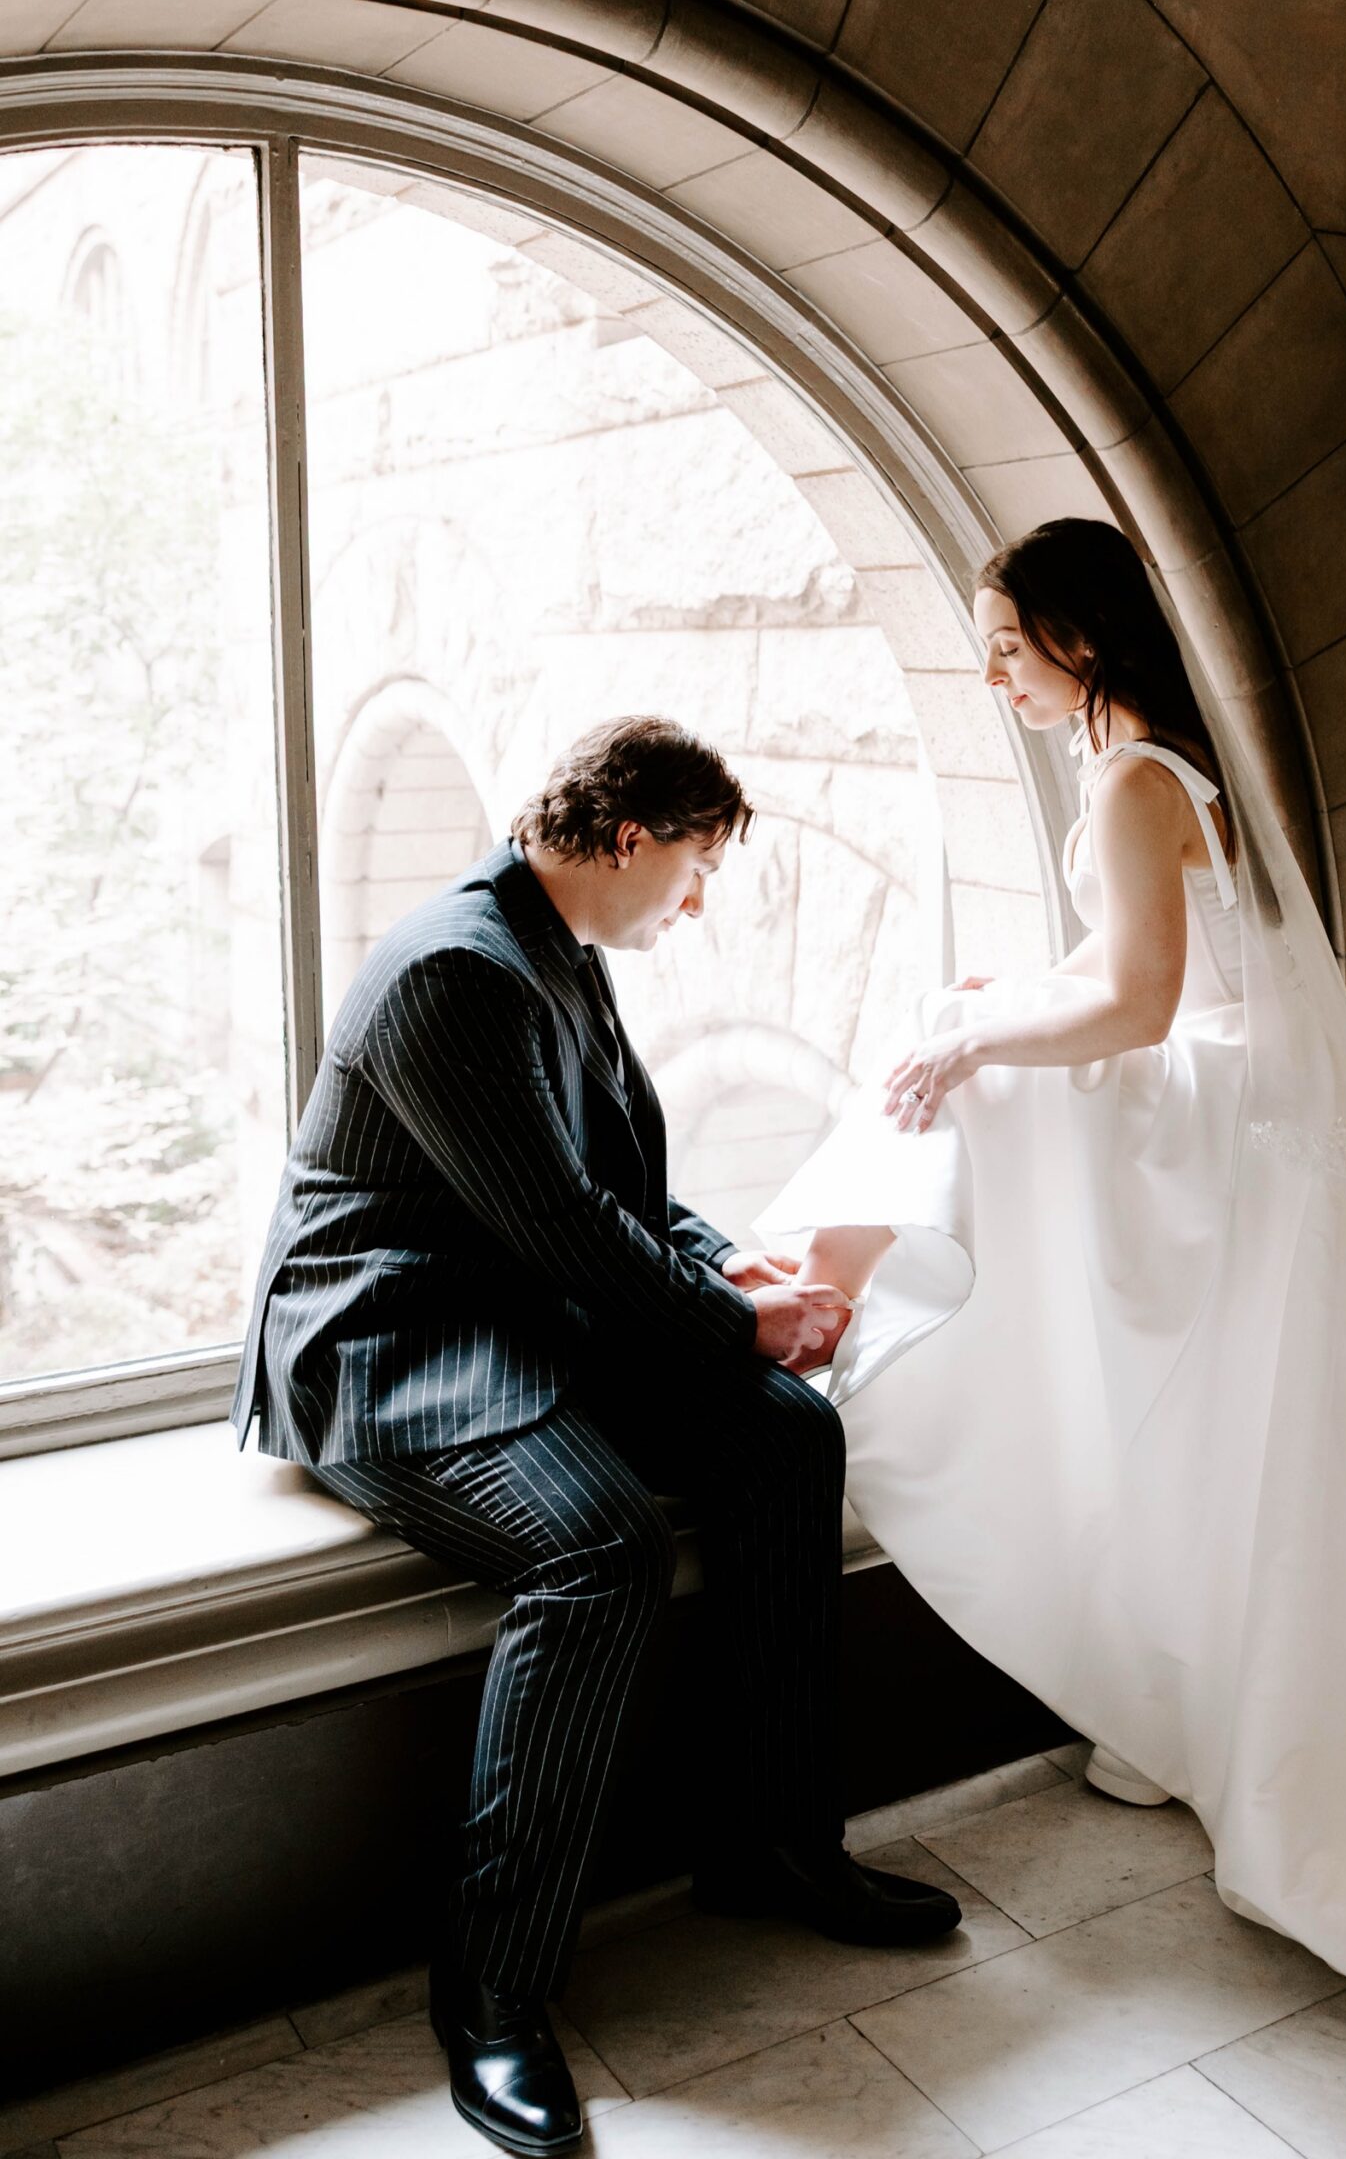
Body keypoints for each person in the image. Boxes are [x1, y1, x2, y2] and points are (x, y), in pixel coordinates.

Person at [751, 515, 1346, 2122]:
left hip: (1213, 1127)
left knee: (958, 1095)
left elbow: (1137, 1003)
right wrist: (995, 1008)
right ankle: (832, 1298)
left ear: (1082, 637)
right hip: (1246, 1133)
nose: (993, 675)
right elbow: (1123, 968)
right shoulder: (1155, 762)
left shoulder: (1133, 779)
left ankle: (811, 1301)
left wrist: (982, 1047)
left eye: (1005, 645)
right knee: (1197, 1392)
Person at [229, 714, 959, 2159]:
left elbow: (617, 1180)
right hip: (386, 1343)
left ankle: (771, 1846)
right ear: (629, 838)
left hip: (515, 1306)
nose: (694, 900)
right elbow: (561, 1224)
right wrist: (730, 1320)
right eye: (693, 866)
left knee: (784, 1440)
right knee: (600, 1545)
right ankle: (492, 1993)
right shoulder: (453, 968)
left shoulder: (557, 945)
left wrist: (739, 1273)